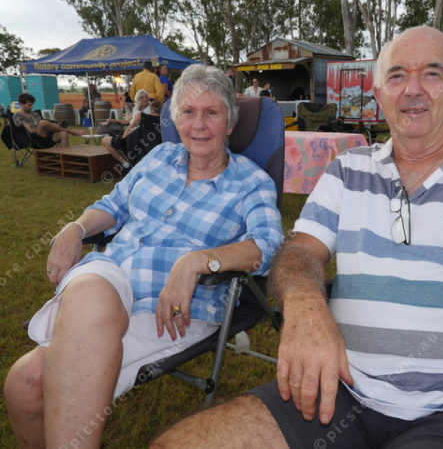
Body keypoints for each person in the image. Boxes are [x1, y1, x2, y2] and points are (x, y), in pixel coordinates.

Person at [150, 26, 443, 448]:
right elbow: (300, 251)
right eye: (397, 76)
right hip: (340, 388)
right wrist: (305, 306)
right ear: (379, 93)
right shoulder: (348, 170)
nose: (413, 89)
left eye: (432, 74)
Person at [4, 64, 283, 449]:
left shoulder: (251, 182)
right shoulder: (159, 158)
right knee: (38, 365)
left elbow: (268, 246)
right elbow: (113, 205)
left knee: (28, 382)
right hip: (107, 276)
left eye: (211, 113)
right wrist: (75, 228)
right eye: (188, 112)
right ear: (176, 119)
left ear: (230, 123)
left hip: (173, 308)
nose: (198, 125)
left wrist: (197, 261)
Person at [101, 98, 162, 168]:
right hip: (151, 148)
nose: (144, 99)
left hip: (136, 147)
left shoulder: (144, 118)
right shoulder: (163, 122)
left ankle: (125, 164)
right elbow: (127, 122)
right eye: (142, 97)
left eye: (145, 97)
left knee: (105, 140)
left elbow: (125, 136)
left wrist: (134, 122)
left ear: (151, 110)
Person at [12, 93, 85, 148]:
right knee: (43, 122)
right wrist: (48, 126)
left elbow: (44, 126)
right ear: (21, 104)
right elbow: (30, 130)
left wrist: (52, 126)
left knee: (63, 133)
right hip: (35, 139)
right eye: (29, 105)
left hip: (47, 136)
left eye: (32, 105)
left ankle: (65, 158)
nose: (31, 107)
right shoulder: (17, 116)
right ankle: (72, 131)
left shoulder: (35, 114)